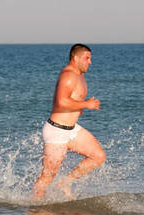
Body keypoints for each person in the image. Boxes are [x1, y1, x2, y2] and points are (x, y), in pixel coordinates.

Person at [33, 44, 106, 201]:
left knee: (98, 156)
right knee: (47, 177)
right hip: (57, 131)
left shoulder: (80, 76)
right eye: (87, 58)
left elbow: (71, 100)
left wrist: (81, 106)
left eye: (90, 58)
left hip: (71, 130)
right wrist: (86, 105)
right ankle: (35, 207)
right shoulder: (68, 76)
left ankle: (66, 182)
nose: (90, 62)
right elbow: (61, 102)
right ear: (76, 58)